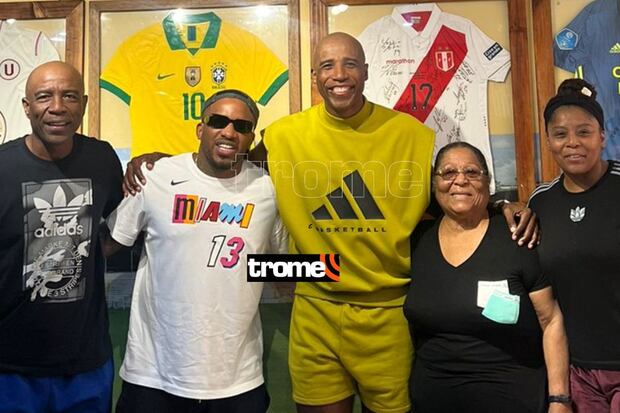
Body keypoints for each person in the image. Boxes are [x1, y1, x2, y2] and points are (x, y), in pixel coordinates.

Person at [123, 33, 539, 413]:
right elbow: (227, 160)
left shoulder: (412, 135)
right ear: (314, 78)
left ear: (366, 72)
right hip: (314, 308)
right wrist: (163, 163)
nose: (339, 74)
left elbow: (450, 192)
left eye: (349, 64)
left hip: (387, 312)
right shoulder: (283, 135)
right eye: (327, 65)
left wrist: (501, 204)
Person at [105, 89, 287, 413]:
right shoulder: (155, 176)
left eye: (241, 126)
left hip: (237, 378)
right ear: (201, 129)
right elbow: (111, 242)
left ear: (250, 138)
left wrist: (336, 267)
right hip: (153, 374)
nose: (228, 131)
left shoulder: (267, 190)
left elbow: (281, 267)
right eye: (218, 121)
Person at [404, 142, 571, 413]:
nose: (460, 180)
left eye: (472, 172)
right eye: (448, 172)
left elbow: (551, 321)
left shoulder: (518, 235)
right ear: (434, 184)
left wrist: (559, 400)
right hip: (431, 399)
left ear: (487, 181)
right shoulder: (417, 241)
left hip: (511, 398)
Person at [0, 61, 123, 412]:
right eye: (44, 97)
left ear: (84, 104)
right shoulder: (3, 166)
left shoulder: (102, 159)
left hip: (86, 361)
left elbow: (118, 226)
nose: (57, 107)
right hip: (11, 365)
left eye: (69, 96)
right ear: (27, 107)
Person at [529, 78, 620, 412]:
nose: (573, 143)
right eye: (560, 134)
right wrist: (503, 206)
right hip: (577, 370)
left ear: (602, 136)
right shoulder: (541, 201)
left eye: (584, 132)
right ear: (548, 141)